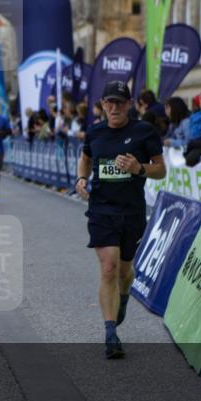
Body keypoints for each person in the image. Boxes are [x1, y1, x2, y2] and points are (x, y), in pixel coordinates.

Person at [74, 81, 165, 359]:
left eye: (119, 102)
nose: (114, 107)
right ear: (102, 105)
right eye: (109, 102)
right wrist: (81, 178)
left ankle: (123, 296)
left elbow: (161, 170)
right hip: (102, 209)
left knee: (125, 271)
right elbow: (86, 158)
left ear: (129, 105)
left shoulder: (143, 131)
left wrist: (139, 168)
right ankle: (110, 333)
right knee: (109, 268)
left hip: (131, 211)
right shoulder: (95, 132)